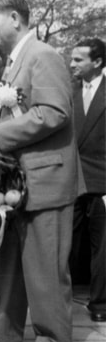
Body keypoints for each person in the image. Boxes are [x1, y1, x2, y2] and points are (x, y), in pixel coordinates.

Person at [0, 0, 84, 342]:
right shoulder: (16, 61)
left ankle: (52, 340)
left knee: (45, 266)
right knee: (8, 263)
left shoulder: (43, 56)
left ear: (15, 18)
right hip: (16, 183)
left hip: (46, 181)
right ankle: (4, 329)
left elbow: (54, 112)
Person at [69, 38, 105, 322]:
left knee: (102, 246)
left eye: (78, 59)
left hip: (102, 182)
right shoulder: (68, 92)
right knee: (64, 242)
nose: (72, 64)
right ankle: (58, 300)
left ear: (98, 62)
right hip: (70, 180)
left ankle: (100, 302)